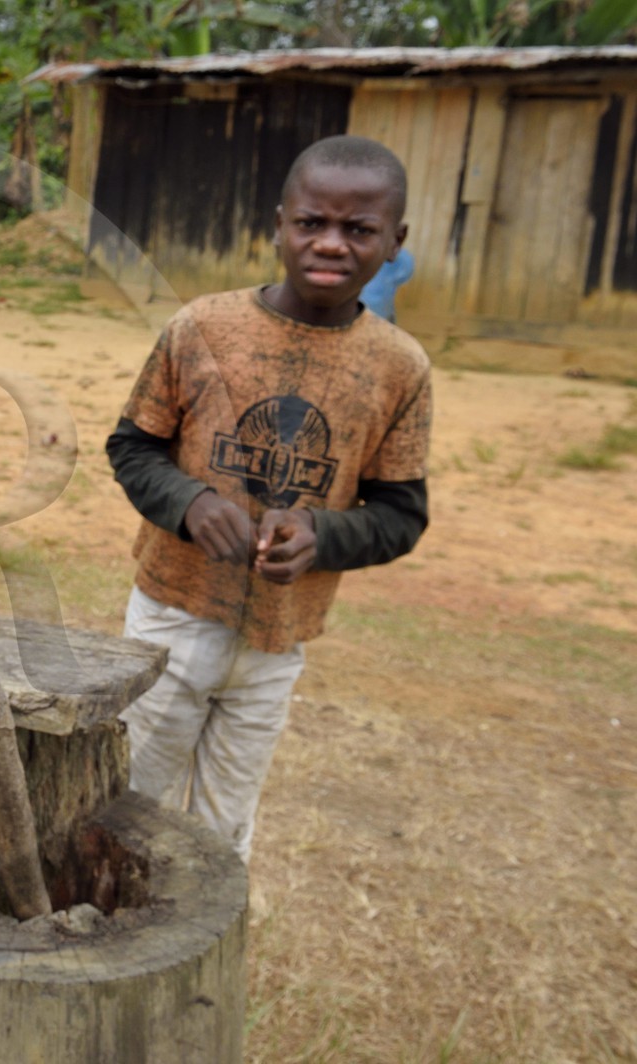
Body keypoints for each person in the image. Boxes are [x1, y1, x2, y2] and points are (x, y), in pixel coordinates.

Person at [105, 135, 432, 863]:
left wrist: (326, 533)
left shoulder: (398, 367)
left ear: (395, 242)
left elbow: (401, 512)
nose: (331, 244)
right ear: (279, 223)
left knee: (223, 835)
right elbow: (132, 447)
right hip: (171, 622)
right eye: (312, 222)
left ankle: (201, 974)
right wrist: (187, 502)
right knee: (127, 811)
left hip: (277, 643)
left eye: (359, 230)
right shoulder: (203, 328)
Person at [359, 245, 415, 322]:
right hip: (380, 312)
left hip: (377, 313)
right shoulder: (401, 256)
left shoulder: (401, 257)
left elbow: (404, 275)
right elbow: (404, 275)